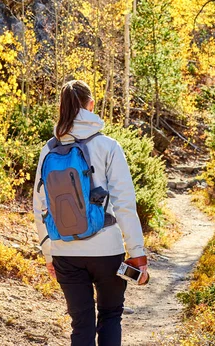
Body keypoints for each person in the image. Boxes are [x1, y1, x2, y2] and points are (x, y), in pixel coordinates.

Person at [33, 80, 149, 346]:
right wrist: (137, 253)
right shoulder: (108, 146)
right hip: (107, 250)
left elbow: (40, 205)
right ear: (91, 105)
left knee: (81, 323)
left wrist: (49, 252)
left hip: (64, 251)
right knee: (110, 315)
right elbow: (124, 203)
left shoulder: (48, 149)